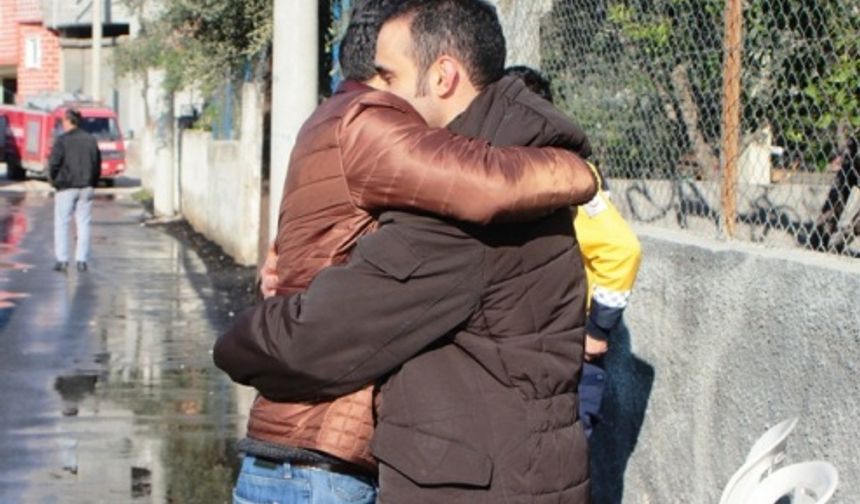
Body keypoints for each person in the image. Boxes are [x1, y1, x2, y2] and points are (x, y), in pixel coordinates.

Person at [216, 1, 598, 502]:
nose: (379, 94)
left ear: (443, 76)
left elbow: (319, 336)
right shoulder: (518, 156)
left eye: (389, 75)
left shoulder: (462, 217)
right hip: (522, 471)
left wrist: (237, 337)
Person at [504, 65, 643, 437]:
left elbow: (621, 250)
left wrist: (597, 330)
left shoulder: (562, 172)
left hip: (570, 354)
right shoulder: (535, 168)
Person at [49, 108, 101, 273]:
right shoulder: (91, 140)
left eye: (63, 121)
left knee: (62, 223)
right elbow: (97, 164)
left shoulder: (62, 140)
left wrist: (55, 181)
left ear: (68, 121)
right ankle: (81, 260)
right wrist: (92, 182)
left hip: (66, 187)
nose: (62, 124)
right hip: (86, 187)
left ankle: (62, 260)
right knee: (83, 223)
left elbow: (54, 163)